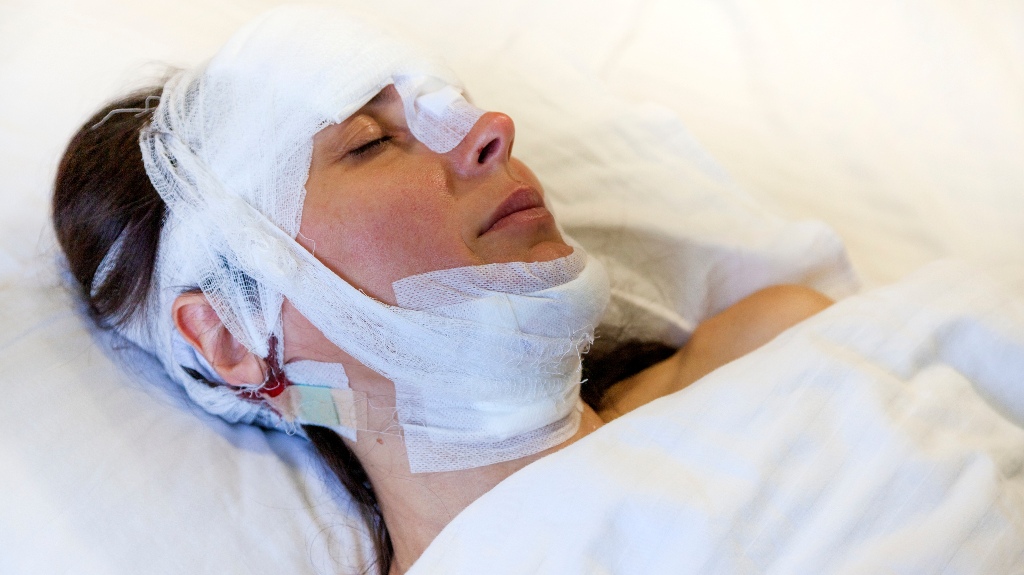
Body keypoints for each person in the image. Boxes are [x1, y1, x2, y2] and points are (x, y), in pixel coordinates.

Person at [51, 7, 832, 575]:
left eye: (441, 108)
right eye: (370, 142)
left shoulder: (774, 353)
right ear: (233, 339)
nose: (489, 128)